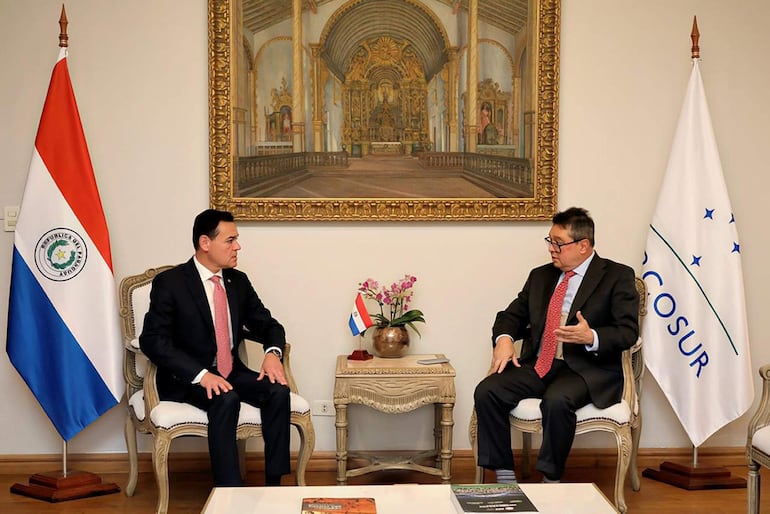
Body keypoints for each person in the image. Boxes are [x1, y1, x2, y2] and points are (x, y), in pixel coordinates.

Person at [473, 207, 639, 484]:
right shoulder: (541, 276)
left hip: (586, 369)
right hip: (541, 363)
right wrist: (504, 340)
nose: (551, 248)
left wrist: (592, 336)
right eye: (550, 241)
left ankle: (550, 479)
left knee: (557, 401)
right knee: (488, 391)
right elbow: (510, 316)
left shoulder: (617, 276)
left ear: (583, 245)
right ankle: (505, 476)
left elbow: (628, 332)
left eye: (558, 243)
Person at [139, 208, 291, 487]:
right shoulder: (171, 283)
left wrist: (272, 353)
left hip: (230, 371)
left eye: (237, 239)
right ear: (205, 243)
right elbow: (152, 339)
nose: (238, 246)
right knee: (226, 398)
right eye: (230, 240)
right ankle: (229, 490)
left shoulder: (237, 281)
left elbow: (270, 325)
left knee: (278, 392)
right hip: (188, 378)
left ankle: (274, 484)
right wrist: (200, 375)